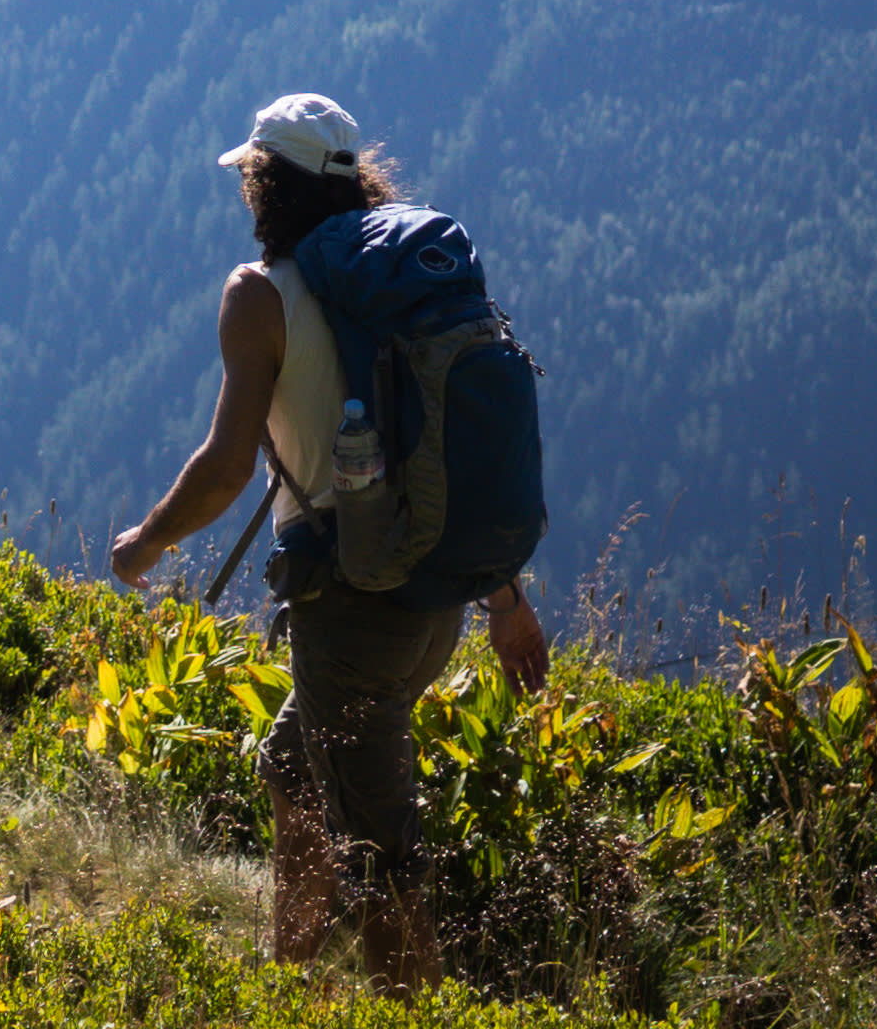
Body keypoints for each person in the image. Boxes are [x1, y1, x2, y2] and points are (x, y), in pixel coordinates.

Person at [109, 92, 551, 984]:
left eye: (250, 177)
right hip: (436, 597)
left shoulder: (259, 297)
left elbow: (228, 466)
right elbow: (444, 441)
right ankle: (295, 972)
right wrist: (505, 595)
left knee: (381, 857)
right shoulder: (396, 285)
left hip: (353, 609)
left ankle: (404, 1000)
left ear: (266, 186)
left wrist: (147, 542)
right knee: (293, 770)